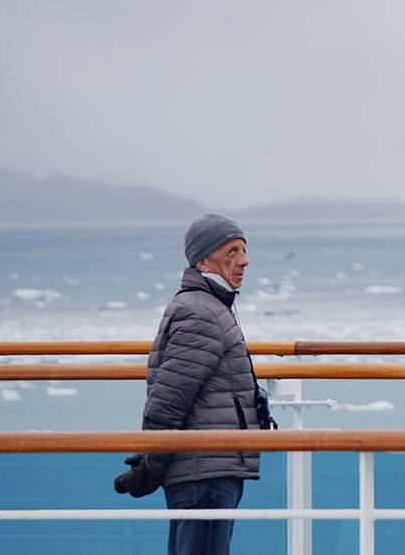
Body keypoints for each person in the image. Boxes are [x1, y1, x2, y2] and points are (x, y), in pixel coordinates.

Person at [116, 213, 275, 555]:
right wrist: (151, 469)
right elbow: (167, 404)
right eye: (231, 251)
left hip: (209, 467)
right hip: (205, 473)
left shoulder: (211, 307)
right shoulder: (201, 313)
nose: (244, 261)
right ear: (203, 260)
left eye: (244, 250)